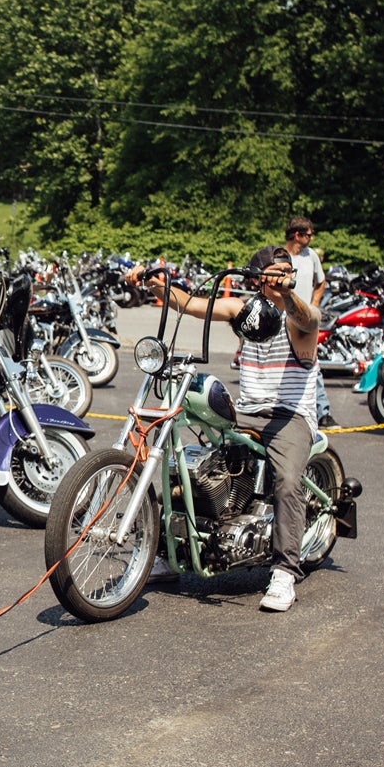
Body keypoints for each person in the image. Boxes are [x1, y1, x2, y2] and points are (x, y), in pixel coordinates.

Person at [147, 245, 321, 612]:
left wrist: (289, 294)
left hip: (290, 413)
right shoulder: (245, 310)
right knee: (188, 466)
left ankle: (286, 572)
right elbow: (192, 304)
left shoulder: (297, 315)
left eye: (286, 271)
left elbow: (308, 319)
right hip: (247, 410)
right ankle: (165, 549)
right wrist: (155, 286)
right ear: (257, 278)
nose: (283, 276)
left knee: (288, 481)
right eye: (274, 272)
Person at [282, 216, 334, 427]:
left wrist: (314, 304)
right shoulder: (280, 257)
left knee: (310, 363)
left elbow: (321, 282)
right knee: (283, 365)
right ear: (298, 235)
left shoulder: (311, 256)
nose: (311, 238)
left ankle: (323, 412)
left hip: (304, 320)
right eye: (309, 234)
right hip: (284, 318)